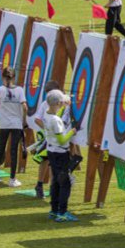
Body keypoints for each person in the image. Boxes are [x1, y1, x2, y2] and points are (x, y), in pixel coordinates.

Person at [43, 90, 79, 222]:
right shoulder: (56, 121)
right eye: (61, 102)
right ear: (57, 103)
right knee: (65, 183)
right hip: (60, 153)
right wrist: (72, 131)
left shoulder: (47, 114)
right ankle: (62, 213)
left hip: (52, 152)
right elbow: (63, 140)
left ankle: (54, 210)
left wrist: (64, 105)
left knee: (56, 182)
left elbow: (57, 113)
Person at [0, 67, 26, 187]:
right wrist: (24, 121)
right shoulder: (20, 90)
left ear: (2, 77)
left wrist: (0, 105)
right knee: (13, 151)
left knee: (1, 150)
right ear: (14, 77)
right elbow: (25, 107)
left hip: (4, 124)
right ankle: (12, 179)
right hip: (17, 124)